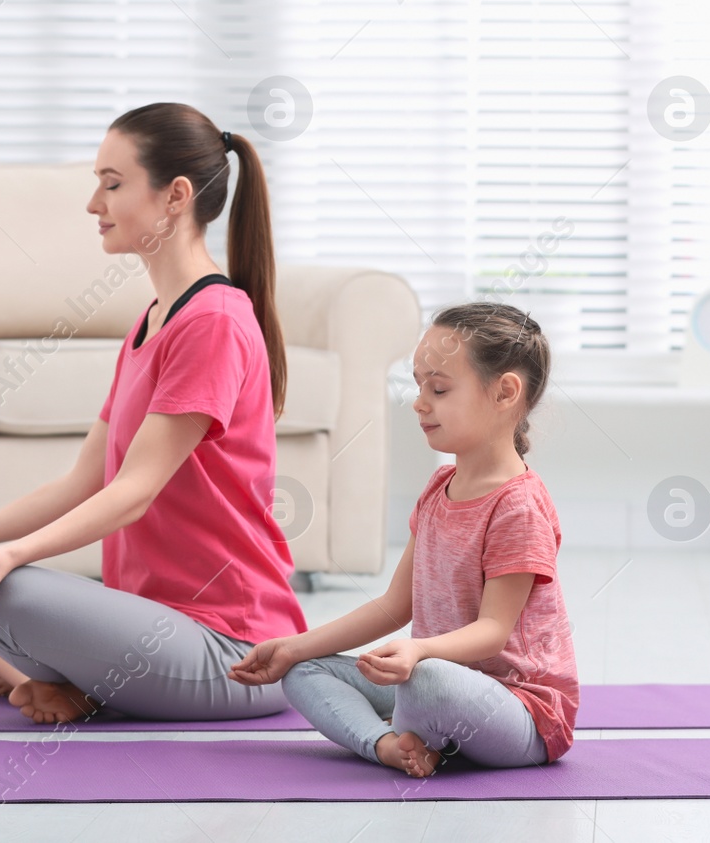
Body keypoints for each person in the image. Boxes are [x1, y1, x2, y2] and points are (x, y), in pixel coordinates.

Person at [0, 101, 307, 725]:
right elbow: (85, 482)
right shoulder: (151, 320)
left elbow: (132, 494)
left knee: (7, 593)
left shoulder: (212, 322)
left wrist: (8, 558)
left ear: (175, 196)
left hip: (233, 652)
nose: (93, 204)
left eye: (112, 184)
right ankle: (52, 680)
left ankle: (41, 675)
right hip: (154, 628)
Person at [228, 301, 578, 776]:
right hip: (435, 682)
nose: (419, 401)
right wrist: (295, 645)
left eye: (439, 387)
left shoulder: (518, 507)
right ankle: (389, 745)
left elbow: (493, 630)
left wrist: (419, 651)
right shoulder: (438, 489)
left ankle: (414, 725)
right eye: (418, 385)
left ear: (505, 393)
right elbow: (395, 605)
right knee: (304, 671)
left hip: (520, 714)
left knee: (423, 681)